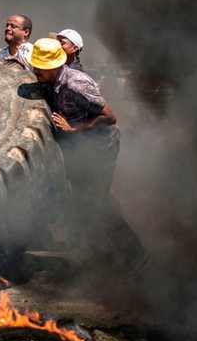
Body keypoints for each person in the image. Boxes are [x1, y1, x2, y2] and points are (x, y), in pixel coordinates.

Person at [29, 38, 146, 274]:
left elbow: (109, 117)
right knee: (83, 201)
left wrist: (76, 128)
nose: (35, 70)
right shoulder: (50, 81)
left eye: (39, 67)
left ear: (54, 66)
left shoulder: (76, 83)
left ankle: (136, 256)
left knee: (97, 203)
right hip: (80, 149)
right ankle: (99, 252)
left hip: (100, 148)